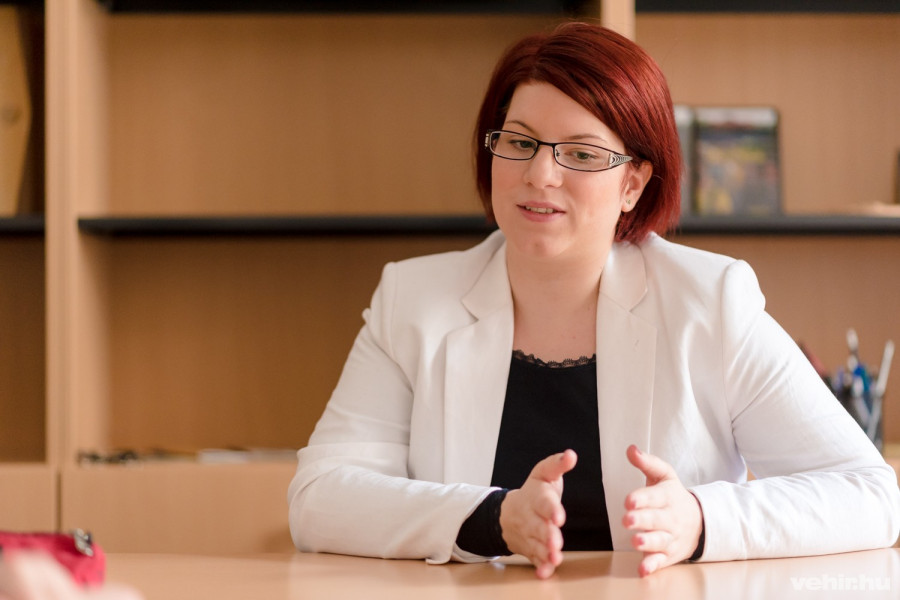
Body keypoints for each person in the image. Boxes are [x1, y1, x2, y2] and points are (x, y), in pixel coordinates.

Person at [287, 21, 900, 579]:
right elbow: (320, 496)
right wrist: (493, 519)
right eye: (519, 143)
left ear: (633, 183)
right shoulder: (413, 301)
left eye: (580, 154)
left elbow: (869, 494)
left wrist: (698, 520)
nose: (540, 175)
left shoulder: (709, 302)